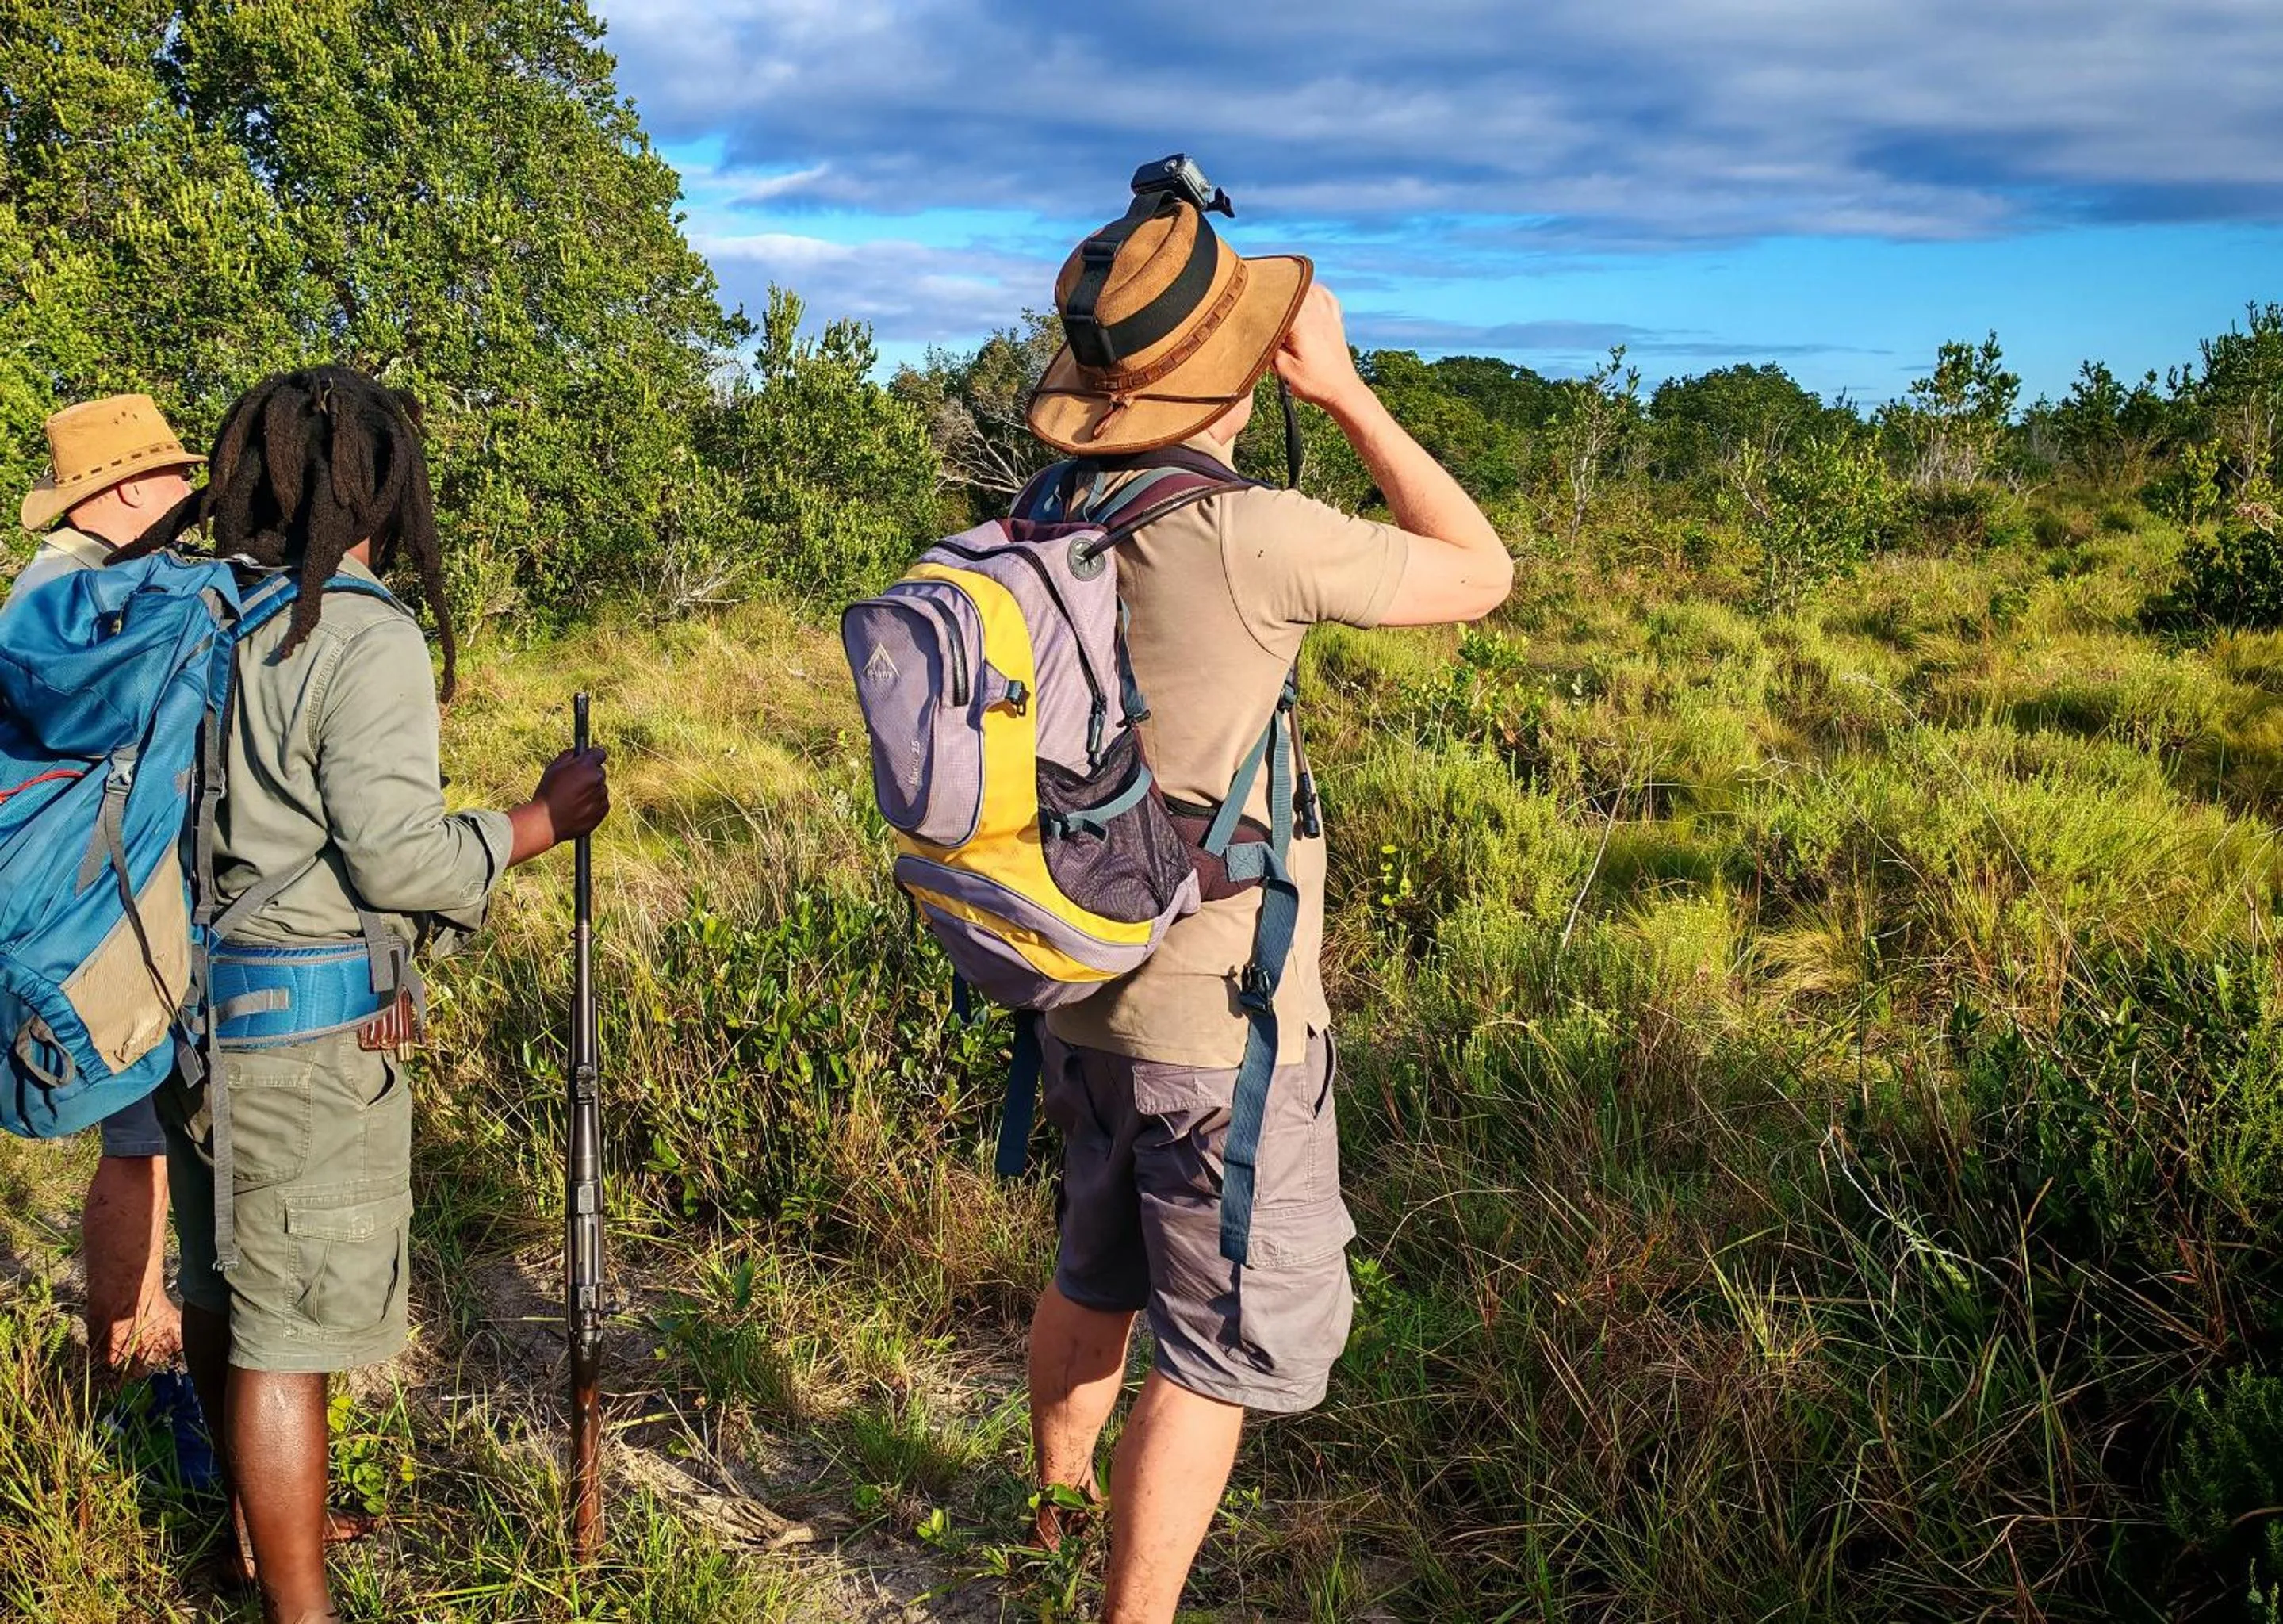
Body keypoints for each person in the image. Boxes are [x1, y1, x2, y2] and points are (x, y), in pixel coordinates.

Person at [1017, 193, 1515, 1621]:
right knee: (1212, 1355)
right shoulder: (1249, 533)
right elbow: (1481, 571)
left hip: (1070, 984)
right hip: (1218, 1023)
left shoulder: (1041, 514)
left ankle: (1046, 1528)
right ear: (1236, 372)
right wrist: (1344, 390)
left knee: (1090, 1271)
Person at [112, 366, 610, 1624]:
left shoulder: (210, 609)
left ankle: (241, 1545)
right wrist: (539, 822)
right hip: (307, 1042)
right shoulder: (360, 630)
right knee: (289, 1335)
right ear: (382, 490)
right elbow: (398, 859)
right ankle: (302, 1609)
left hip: (198, 1021)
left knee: (224, 1289)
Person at [11, 395, 205, 1379]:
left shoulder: (62, 588)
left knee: (142, 1133)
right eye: (173, 476)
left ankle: (139, 1323)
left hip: (84, 908)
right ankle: (125, 1348)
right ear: (125, 489)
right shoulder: (86, 601)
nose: (187, 494)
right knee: (138, 1135)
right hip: (95, 917)